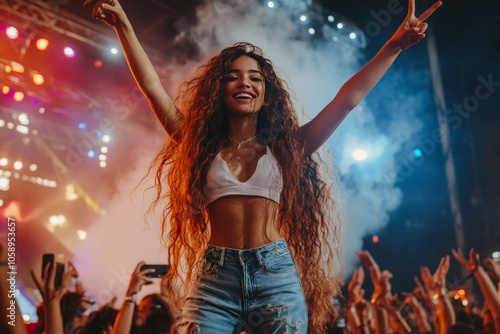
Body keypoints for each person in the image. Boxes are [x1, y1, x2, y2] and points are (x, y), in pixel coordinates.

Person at [84, 0, 442, 332]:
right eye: (234, 76)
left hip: (274, 276)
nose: (246, 83)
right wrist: (123, 23)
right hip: (214, 280)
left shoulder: (288, 147)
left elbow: (346, 100)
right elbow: (151, 87)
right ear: (218, 89)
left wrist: (394, 45)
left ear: (266, 92)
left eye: (255, 77)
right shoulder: (197, 144)